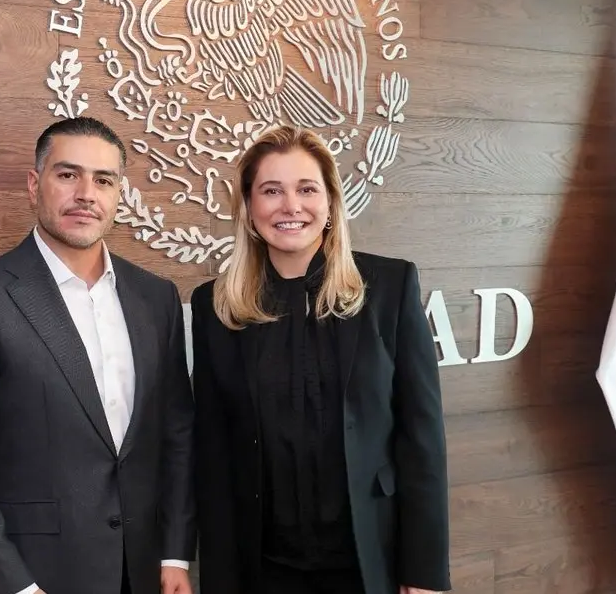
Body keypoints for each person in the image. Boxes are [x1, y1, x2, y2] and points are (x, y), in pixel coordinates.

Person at [0, 116, 196, 594]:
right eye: (68, 175)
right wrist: (16, 586)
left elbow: (177, 432)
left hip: (145, 571)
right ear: (35, 185)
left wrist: (175, 554)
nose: (86, 194)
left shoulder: (156, 298)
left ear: (119, 195)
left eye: (103, 180)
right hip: (37, 577)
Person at [190, 125, 450, 594]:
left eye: (307, 189)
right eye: (272, 191)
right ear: (248, 207)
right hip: (263, 568)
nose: (291, 206)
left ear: (330, 203)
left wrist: (424, 572)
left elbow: (422, 437)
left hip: (369, 560)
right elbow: (213, 454)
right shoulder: (215, 306)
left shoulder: (389, 287)